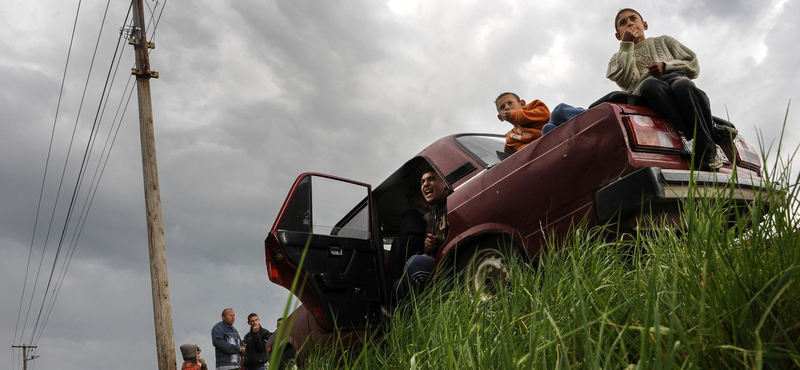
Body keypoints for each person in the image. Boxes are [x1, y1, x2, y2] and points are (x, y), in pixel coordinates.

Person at [606, 8, 729, 170]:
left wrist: (666, 66)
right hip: (646, 94)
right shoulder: (617, 58)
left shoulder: (664, 41)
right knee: (651, 85)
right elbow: (625, 79)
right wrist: (627, 45)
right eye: (623, 23)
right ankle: (707, 131)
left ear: (644, 24)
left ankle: (705, 147)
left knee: (683, 85)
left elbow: (692, 64)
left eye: (633, 19)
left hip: (676, 79)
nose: (629, 23)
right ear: (618, 35)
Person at [392, 168, 449, 301]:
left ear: (445, 185)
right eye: (422, 182)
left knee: (415, 263)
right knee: (397, 285)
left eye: (431, 179)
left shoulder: (452, 203)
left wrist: (439, 245)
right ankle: (407, 319)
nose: (425, 184)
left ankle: (425, 313)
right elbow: (429, 253)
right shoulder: (433, 216)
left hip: (453, 264)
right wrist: (430, 248)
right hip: (438, 262)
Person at [494, 93, 586, 154]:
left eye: (510, 103)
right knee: (547, 129)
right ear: (500, 117)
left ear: (522, 103)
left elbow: (544, 115)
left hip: (564, 126)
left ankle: (592, 114)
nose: (507, 107)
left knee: (559, 111)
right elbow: (526, 151)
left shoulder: (533, 106)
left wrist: (515, 115)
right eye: (502, 107)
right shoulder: (512, 138)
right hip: (551, 143)